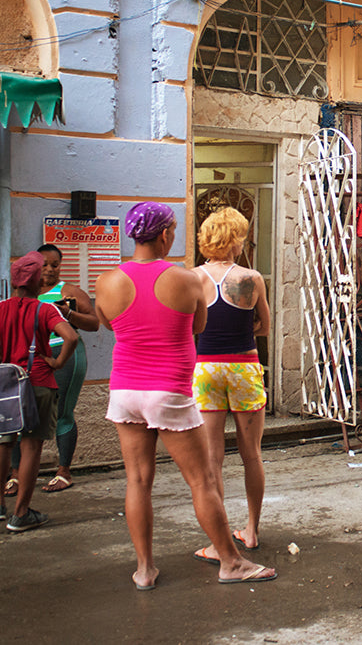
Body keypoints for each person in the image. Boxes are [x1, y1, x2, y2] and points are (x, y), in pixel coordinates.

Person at [95, 201, 276, 590]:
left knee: (138, 481)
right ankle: (231, 561)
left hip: (124, 390)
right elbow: (199, 323)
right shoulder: (184, 280)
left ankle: (144, 570)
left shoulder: (107, 280)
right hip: (169, 389)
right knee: (202, 480)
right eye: (173, 229)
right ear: (164, 234)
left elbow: (107, 323)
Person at [0, 251, 77, 533]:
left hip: (7, 385)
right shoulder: (45, 309)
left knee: (2, 443)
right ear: (37, 279)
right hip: (38, 381)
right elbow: (71, 337)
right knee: (31, 448)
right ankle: (21, 513)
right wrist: (58, 361)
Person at [191, 207, 270, 553]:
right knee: (251, 454)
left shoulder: (192, 278)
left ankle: (219, 540)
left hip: (206, 368)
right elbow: (264, 327)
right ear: (235, 240)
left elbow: (187, 327)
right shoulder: (251, 279)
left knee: (212, 458)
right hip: (244, 367)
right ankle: (251, 530)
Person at [7, 244, 99, 497]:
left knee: (63, 412)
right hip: (29, 358)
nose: (49, 270)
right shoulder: (24, 292)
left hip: (65, 355)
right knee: (20, 414)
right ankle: (16, 474)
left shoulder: (68, 291)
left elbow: (94, 324)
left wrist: (68, 312)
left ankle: (64, 471)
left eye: (54, 265)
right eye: (43, 265)